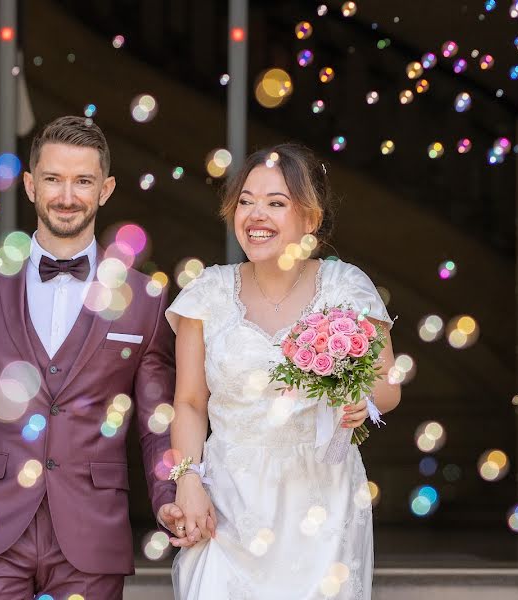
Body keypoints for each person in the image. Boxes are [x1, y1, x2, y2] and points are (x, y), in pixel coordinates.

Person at [0, 116, 190, 599]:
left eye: (83, 181)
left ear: (106, 190)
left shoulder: (145, 298)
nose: (66, 195)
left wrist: (169, 498)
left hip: (92, 530)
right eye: (54, 179)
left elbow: (156, 421)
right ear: (31, 184)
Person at [167, 143, 401, 599]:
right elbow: (190, 402)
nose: (256, 216)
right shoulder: (207, 293)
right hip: (229, 498)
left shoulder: (346, 286)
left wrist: (363, 401)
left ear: (310, 219)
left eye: (276, 203)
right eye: (246, 202)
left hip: (321, 498)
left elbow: (386, 384)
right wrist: (189, 480)